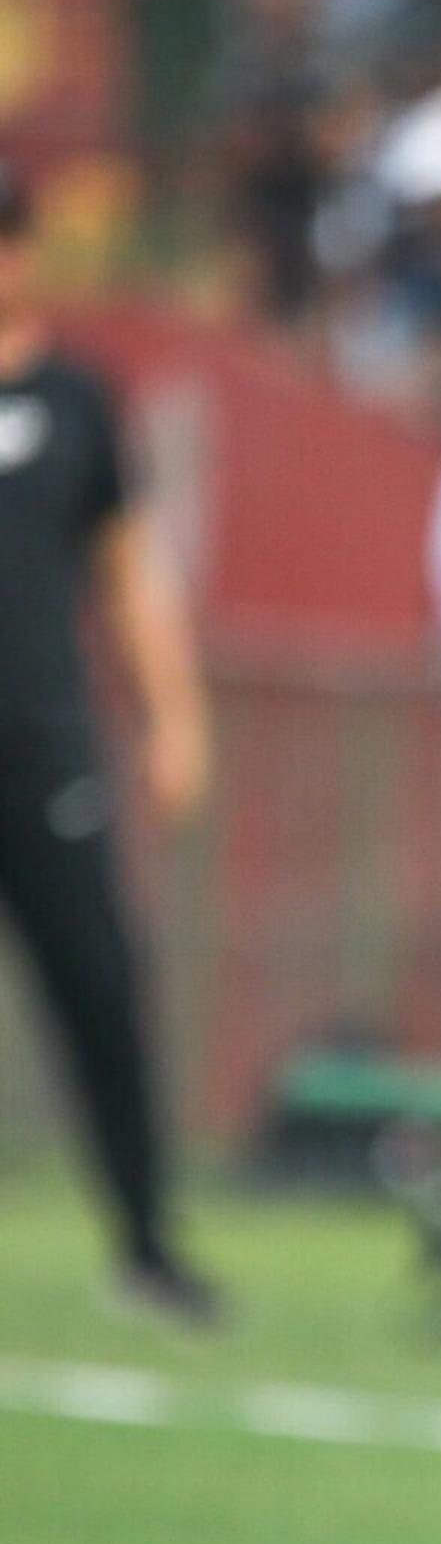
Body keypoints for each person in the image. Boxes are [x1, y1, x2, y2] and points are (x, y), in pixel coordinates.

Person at [0, 163, 225, 1326]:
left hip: (43, 751)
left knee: (99, 989)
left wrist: (173, 716)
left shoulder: (79, 401)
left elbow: (132, 572)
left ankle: (146, 1243)